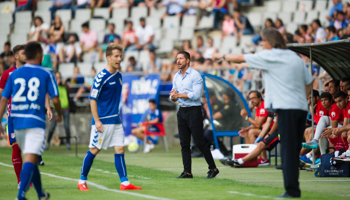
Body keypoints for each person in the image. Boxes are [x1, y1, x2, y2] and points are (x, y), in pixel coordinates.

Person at [212, 27, 314, 198]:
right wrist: (302, 99)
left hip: (287, 110)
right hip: (300, 109)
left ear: (270, 42)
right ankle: (293, 189)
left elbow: (238, 58)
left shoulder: (271, 55)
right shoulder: (295, 58)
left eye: (263, 41)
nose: (261, 44)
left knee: (288, 152)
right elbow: (310, 82)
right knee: (293, 149)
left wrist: (220, 56)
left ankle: (292, 191)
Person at [0, 41, 62, 200]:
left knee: (31, 158)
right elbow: (55, 98)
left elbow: (3, 99)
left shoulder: (14, 75)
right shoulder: (45, 72)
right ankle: (20, 195)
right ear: (38, 54)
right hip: (34, 121)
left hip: (16, 121)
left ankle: (40, 194)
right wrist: (59, 114)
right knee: (30, 157)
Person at [77, 43, 142, 191]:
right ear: (108, 58)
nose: (119, 59)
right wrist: (97, 120)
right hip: (103, 121)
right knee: (94, 150)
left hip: (116, 120)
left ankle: (125, 183)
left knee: (120, 149)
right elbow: (92, 99)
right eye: (116, 56)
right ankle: (81, 181)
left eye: (120, 56)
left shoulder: (119, 76)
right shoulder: (101, 77)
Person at [169, 51, 219, 179]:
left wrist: (178, 95)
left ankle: (213, 168)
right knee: (184, 143)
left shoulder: (195, 75)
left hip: (194, 111)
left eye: (181, 58)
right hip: (182, 111)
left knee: (199, 142)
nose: (178, 61)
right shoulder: (176, 76)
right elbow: (173, 96)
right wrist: (174, 97)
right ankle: (187, 172)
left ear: (187, 60)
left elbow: (196, 95)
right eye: (177, 59)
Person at [45, 72, 72, 150]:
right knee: (52, 126)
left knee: (66, 126)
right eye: (57, 78)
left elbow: (69, 91)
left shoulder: (64, 86)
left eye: (59, 77)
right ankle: (48, 142)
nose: (58, 79)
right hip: (56, 109)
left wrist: (65, 84)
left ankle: (68, 143)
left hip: (65, 108)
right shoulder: (53, 86)